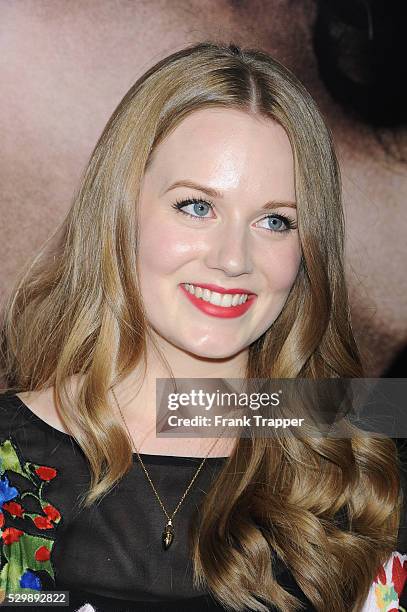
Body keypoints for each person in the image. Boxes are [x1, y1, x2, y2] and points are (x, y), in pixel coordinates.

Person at [0, 41, 406, 612]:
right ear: (120, 212)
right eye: (196, 206)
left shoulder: (368, 450)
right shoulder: (9, 458)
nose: (233, 258)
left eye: (275, 220)